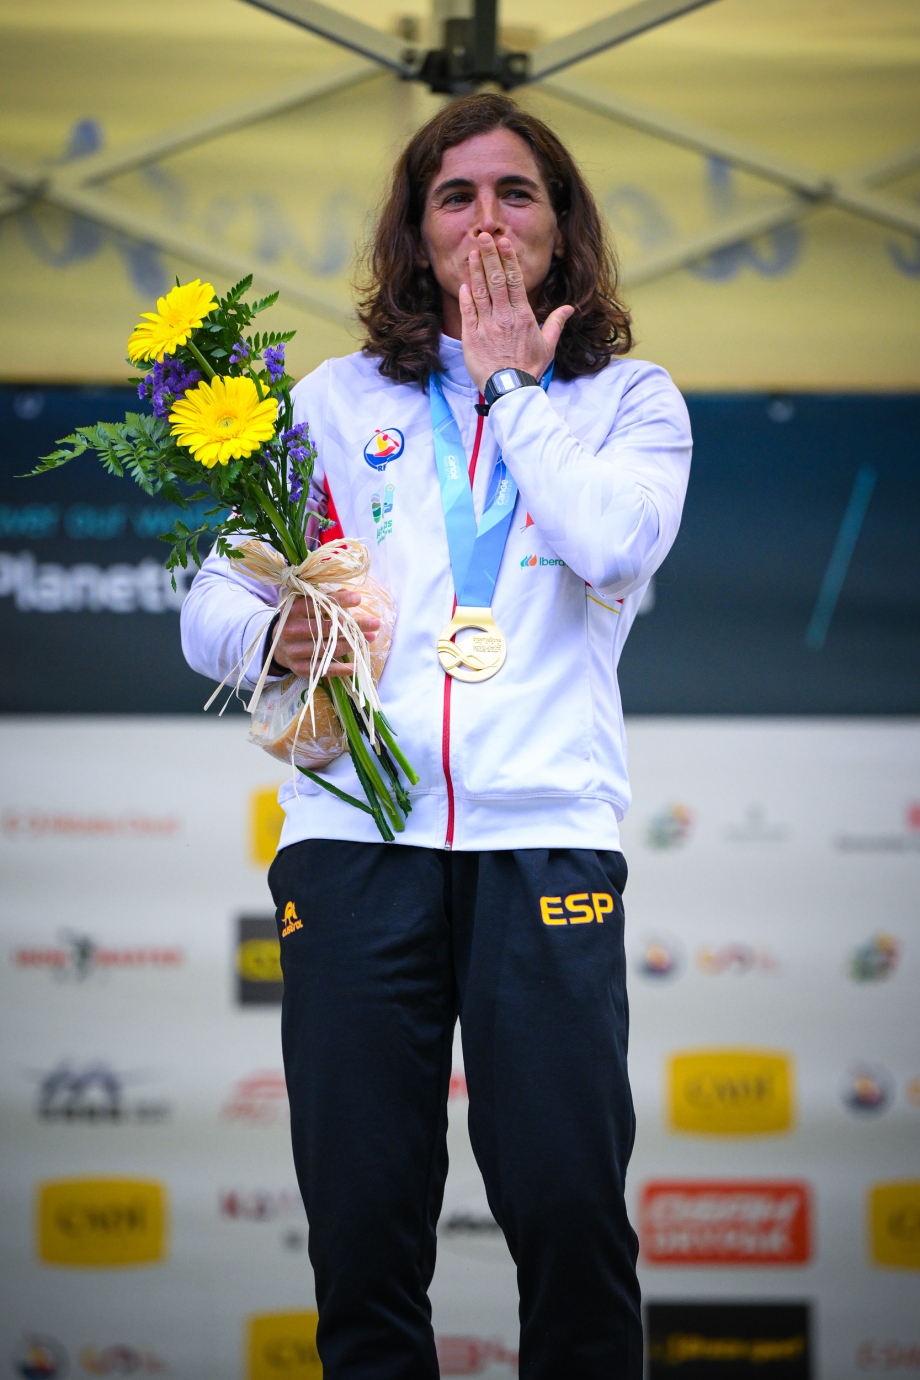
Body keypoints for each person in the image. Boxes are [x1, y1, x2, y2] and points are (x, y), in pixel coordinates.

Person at [182, 92, 691, 1380]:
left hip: (545, 846)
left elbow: (610, 542)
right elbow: (210, 607)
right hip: (355, 845)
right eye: (455, 196)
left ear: (565, 228)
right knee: (362, 1231)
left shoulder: (630, 401)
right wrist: (278, 635)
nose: (487, 220)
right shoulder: (332, 400)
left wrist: (514, 383)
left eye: (517, 193)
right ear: (415, 233)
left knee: (571, 1216)